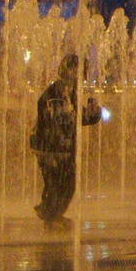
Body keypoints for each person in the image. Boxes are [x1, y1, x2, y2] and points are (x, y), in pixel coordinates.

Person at [31, 54, 99, 227]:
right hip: (52, 148)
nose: (82, 77)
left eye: (83, 73)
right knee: (58, 183)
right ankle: (49, 215)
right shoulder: (57, 91)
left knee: (67, 184)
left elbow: (75, 118)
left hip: (61, 148)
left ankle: (53, 215)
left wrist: (92, 114)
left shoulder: (68, 92)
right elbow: (61, 118)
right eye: (79, 72)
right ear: (68, 70)